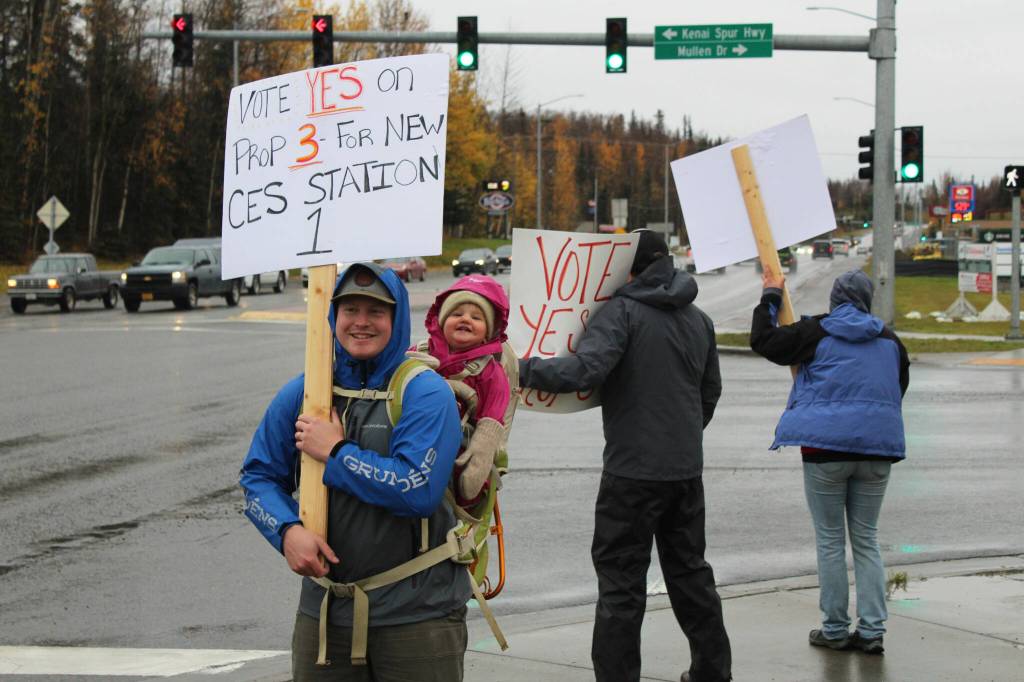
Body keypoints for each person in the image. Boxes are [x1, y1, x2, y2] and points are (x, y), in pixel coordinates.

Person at [518, 230, 732, 682]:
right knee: (691, 574)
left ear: (625, 268)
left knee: (620, 587)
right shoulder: (698, 319)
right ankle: (712, 672)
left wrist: (520, 368)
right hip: (684, 473)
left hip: (631, 474)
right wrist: (682, 436)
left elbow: (583, 369)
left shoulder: (623, 313)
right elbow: (708, 394)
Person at [239, 262, 469, 681]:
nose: (361, 323)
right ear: (333, 316)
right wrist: (286, 531)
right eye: (350, 310)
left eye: (376, 312)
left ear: (396, 319)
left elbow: (416, 490)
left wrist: (337, 452)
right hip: (325, 613)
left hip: (417, 616)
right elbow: (257, 480)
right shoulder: (307, 393)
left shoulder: (424, 392)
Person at [749, 269, 910, 656]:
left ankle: (835, 629)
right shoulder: (889, 340)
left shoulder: (815, 333)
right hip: (877, 449)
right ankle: (872, 631)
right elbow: (897, 386)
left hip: (825, 451)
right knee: (867, 540)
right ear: (867, 301)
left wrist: (771, 295)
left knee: (831, 540)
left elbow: (763, 341)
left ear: (835, 301)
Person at [414, 274, 512, 506]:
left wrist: (482, 453)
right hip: (417, 440)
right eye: (456, 314)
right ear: (441, 321)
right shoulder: (420, 352)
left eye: (476, 317)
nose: (465, 319)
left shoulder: (490, 371)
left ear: (488, 331)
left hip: (461, 450)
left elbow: (493, 414)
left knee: (461, 494)